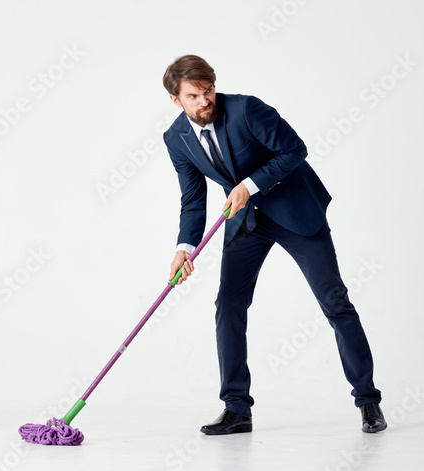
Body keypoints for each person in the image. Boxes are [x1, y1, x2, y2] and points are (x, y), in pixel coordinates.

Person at [161, 54, 386, 435]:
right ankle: (237, 409)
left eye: (208, 91)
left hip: (294, 211)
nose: (204, 101)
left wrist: (249, 186)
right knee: (228, 305)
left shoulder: (247, 109)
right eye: (193, 96)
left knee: (335, 302)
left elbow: (294, 150)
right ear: (175, 100)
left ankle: (368, 402)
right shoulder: (176, 139)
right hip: (247, 223)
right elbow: (193, 198)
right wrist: (184, 246)